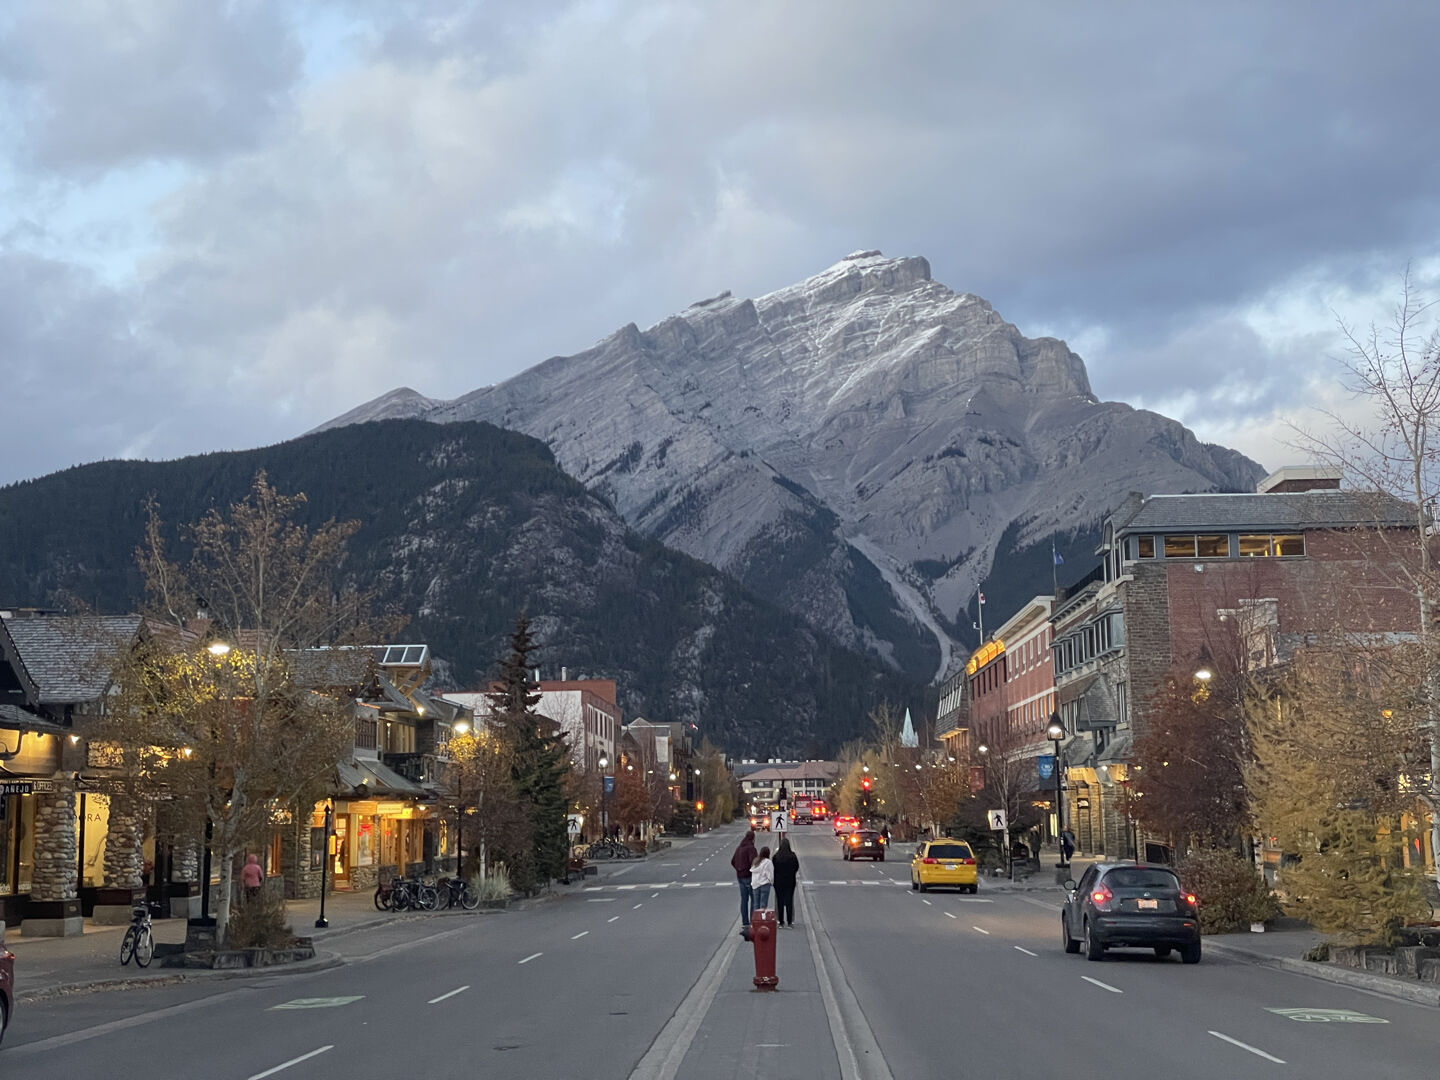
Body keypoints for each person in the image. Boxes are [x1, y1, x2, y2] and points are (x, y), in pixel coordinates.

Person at [731, 829, 758, 926]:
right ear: (753, 838)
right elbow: (753, 862)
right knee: (754, 899)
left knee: (744, 899)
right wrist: (753, 871)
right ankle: (752, 920)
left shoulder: (739, 848)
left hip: (740, 876)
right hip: (749, 876)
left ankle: (745, 921)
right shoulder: (751, 848)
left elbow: (733, 861)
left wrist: (739, 869)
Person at [772, 837, 800, 927]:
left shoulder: (776, 856)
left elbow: (773, 868)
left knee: (779, 901)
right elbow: (796, 867)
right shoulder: (792, 856)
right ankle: (789, 921)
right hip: (790, 880)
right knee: (789, 901)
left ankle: (780, 921)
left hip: (779, 881)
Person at [751, 845, 774, 910]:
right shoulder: (768, 862)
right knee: (763, 905)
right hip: (765, 884)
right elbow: (770, 875)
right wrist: (771, 882)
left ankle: (755, 919)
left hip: (755, 885)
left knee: (756, 905)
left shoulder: (755, 861)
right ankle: (762, 919)